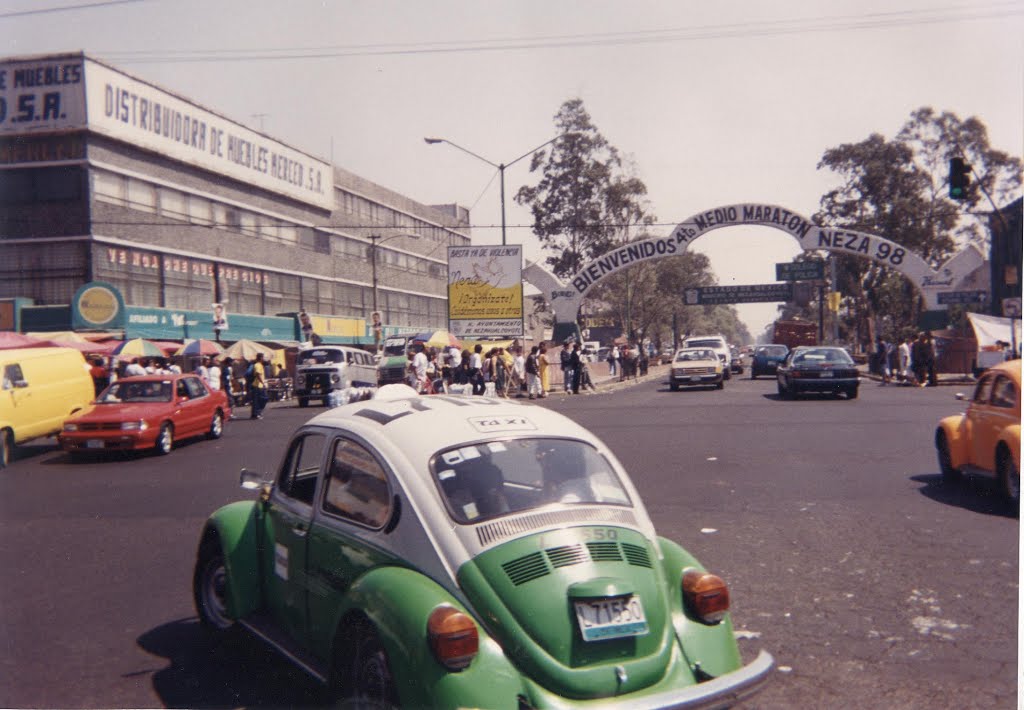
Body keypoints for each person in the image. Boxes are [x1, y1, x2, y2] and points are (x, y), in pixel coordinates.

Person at [249, 353, 268, 419]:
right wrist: (263, 383)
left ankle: (256, 413)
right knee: (261, 399)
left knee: (259, 400)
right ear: (260, 358)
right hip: (257, 385)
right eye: (263, 357)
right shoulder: (257, 365)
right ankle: (256, 413)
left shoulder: (260, 365)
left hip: (259, 385)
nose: (264, 359)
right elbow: (258, 374)